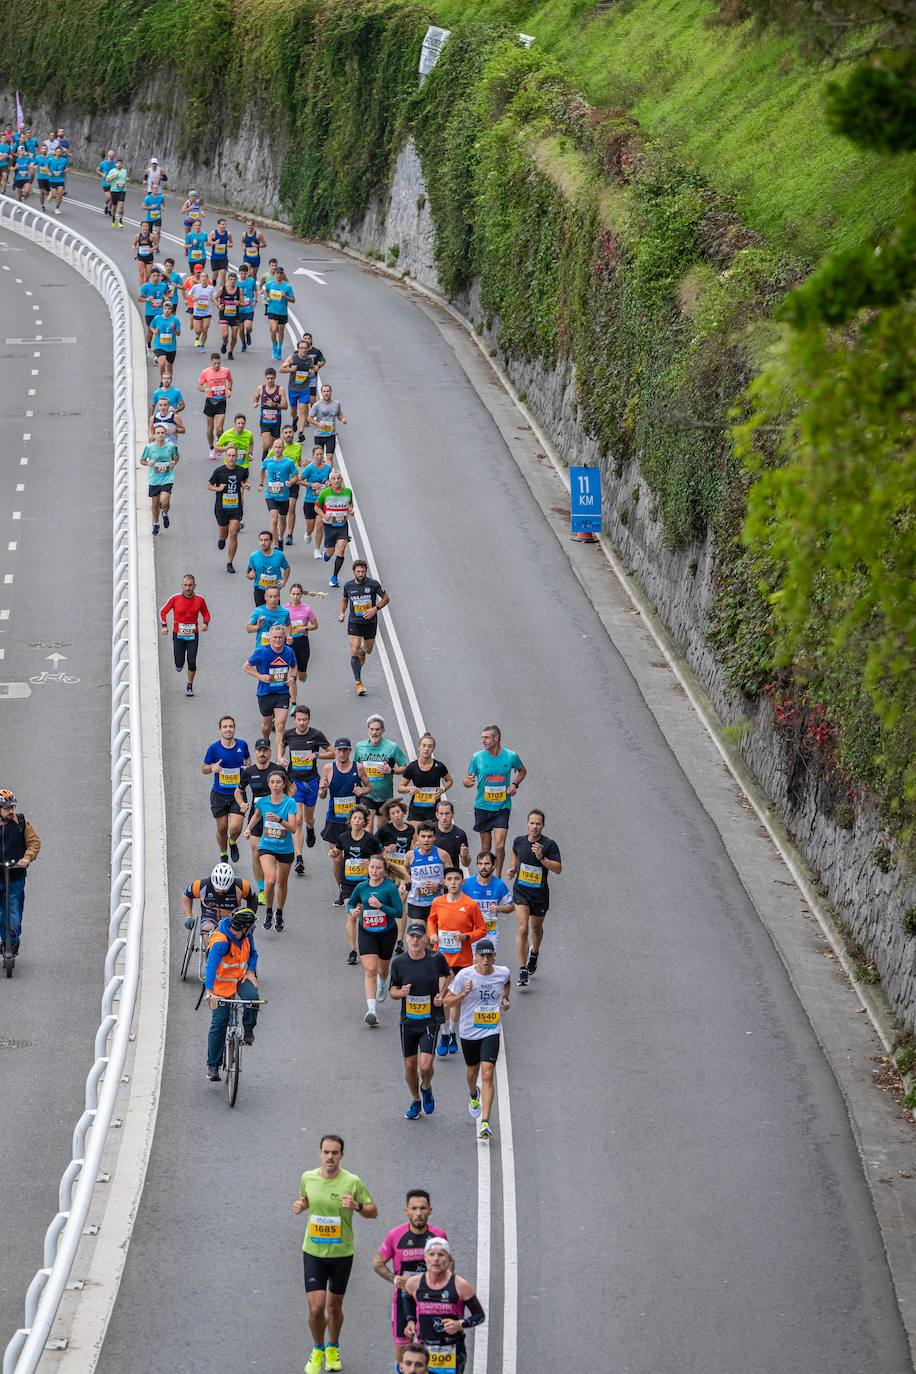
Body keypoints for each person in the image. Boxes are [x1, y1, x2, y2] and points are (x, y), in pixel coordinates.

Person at [294, 1135, 378, 1374]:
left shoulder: (353, 1182)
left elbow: (373, 1211)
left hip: (342, 1252)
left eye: (335, 1153)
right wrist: (302, 1205)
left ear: (342, 1155)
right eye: (326, 1152)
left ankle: (333, 1347)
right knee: (316, 1308)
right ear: (320, 1153)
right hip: (313, 1250)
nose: (330, 1157)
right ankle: (318, 1348)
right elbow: (307, 1198)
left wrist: (358, 1206)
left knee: (334, 1307)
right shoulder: (307, 1177)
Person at [444, 941, 510, 1140]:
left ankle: (485, 1122)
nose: (486, 959)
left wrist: (505, 999)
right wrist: (464, 993)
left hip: (491, 1029)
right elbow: (447, 1001)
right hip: (469, 1031)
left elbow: (506, 984)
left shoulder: (503, 972)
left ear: (494, 956)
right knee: (472, 1071)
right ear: (476, 958)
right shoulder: (465, 975)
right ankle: (474, 1094)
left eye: (490, 956)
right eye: (482, 956)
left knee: (488, 1072)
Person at [374, 1191, 448, 1360]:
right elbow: (378, 1263)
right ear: (406, 1210)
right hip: (403, 1299)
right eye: (414, 1208)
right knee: (403, 1354)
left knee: (431, 1351)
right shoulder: (395, 1235)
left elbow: (449, 1264)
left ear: (430, 1210)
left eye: (423, 1208)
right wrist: (394, 1279)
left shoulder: (439, 1235)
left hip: (432, 1300)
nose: (419, 1213)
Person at [388, 924, 450, 1118]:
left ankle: (426, 1086)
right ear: (406, 939)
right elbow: (392, 991)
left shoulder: (436, 958)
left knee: (425, 1066)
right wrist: (401, 993)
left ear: (425, 939)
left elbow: (448, 975)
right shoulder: (399, 962)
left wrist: (442, 994)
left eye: (419, 936)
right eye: (412, 936)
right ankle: (415, 1099)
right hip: (408, 1021)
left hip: (430, 1019)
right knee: (409, 1065)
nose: (415, 940)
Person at [399, 1237, 485, 1370]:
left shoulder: (460, 1285)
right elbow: (406, 1297)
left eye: (441, 1254)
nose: (436, 1259)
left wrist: (460, 1324)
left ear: (448, 1259)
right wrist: (410, 1320)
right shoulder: (414, 1283)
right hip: (423, 1350)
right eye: (431, 1254)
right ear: (425, 1258)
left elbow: (479, 1315)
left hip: (452, 1351)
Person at [428, 870, 487, 1057]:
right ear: (444, 882)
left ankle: (453, 1032)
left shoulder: (470, 904)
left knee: (456, 1000)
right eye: (450, 879)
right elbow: (431, 921)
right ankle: (444, 1034)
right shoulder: (438, 902)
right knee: (441, 997)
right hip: (442, 959)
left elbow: (482, 929)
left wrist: (466, 936)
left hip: (463, 960)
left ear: (462, 881)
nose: (453, 882)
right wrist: (432, 934)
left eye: (456, 879)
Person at [508, 808, 562, 988]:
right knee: (522, 928)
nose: (535, 826)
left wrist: (542, 858)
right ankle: (523, 969)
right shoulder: (519, 841)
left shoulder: (549, 845)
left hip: (539, 894)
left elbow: (558, 869)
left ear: (543, 826)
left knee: (536, 928)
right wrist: (513, 868)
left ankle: (535, 953)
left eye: (538, 823)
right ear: (527, 824)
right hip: (521, 892)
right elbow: (515, 853)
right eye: (532, 823)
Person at [205, 906, 260, 1081]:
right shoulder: (221, 942)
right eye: (251, 927)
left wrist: (250, 970)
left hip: (241, 978)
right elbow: (211, 967)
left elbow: (253, 954)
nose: (252, 930)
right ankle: (213, 1065)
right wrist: (210, 991)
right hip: (221, 985)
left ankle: (248, 1029)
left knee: (253, 999)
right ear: (244, 926)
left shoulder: (246, 935)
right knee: (219, 1023)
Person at [462, 725, 527, 876]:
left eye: (486, 737)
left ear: (496, 738)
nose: (483, 740)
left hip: (502, 807)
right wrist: (467, 782)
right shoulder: (477, 757)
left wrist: (514, 784)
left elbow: (523, 771)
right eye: (482, 737)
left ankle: (497, 876)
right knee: (486, 846)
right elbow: (467, 780)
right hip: (483, 806)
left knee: (499, 845)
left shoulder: (511, 756)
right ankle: (485, 875)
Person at [348, 852, 401, 1022]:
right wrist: (352, 911)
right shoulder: (362, 887)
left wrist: (381, 906)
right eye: (372, 867)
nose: (374, 871)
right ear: (368, 869)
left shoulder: (390, 888)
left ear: (384, 871)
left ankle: (383, 983)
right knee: (370, 969)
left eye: (378, 868)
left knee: (382, 970)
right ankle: (371, 1011)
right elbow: (351, 902)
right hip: (367, 932)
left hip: (387, 932)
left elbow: (398, 912)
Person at [234, 740, 288, 904]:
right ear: (255, 753)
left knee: (275, 853)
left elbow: (291, 788)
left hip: (276, 818)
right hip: (256, 817)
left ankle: (272, 881)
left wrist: (288, 805)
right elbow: (238, 790)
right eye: (259, 750)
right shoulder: (249, 772)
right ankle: (263, 890)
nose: (262, 753)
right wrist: (242, 803)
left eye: (265, 750)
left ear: (270, 753)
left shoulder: (278, 770)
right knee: (256, 851)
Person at [245, 766, 297, 930]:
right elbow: (257, 815)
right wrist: (248, 828)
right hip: (266, 846)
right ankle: (268, 911)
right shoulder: (263, 802)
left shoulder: (290, 802)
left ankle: (279, 913)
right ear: (269, 785)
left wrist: (279, 820)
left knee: (282, 882)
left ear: (284, 784)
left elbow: (294, 828)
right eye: (272, 782)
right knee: (270, 880)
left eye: (278, 782)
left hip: (285, 849)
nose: (275, 785)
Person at [318, 740, 371, 900]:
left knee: (356, 856)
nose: (342, 753)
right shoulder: (328, 768)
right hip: (334, 819)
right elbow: (322, 795)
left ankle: (361, 888)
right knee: (337, 858)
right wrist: (322, 789)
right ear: (335, 751)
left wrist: (362, 791)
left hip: (354, 820)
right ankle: (342, 889)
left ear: (349, 751)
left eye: (345, 750)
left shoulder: (358, 767)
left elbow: (369, 787)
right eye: (339, 750)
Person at [281, 704, 331, 870]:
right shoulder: (288, 734)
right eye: (299, 719)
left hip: (311, 782)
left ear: (309, 720)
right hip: (294, 781)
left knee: (308, 818)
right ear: (294, 720)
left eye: (304, 720)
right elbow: (282, 744)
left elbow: (332, 752)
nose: (301, 723)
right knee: (298, 819)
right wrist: (280, 757)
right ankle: (299, 858)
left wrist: (316, 755)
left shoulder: (316, 735)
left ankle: (311, 828)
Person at [332, 806, 383, 955]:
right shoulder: (343, 837)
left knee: (365, 913)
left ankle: (370, 943)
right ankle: (353, 950)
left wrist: (370, 862)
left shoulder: (371, 839)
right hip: (348, 883)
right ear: (350, 820)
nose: (357, 821)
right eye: (354, 818)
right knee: (352, 914)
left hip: (367, 883)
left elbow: (381, 857)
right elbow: (338, 850)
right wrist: (334, 852)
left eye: (360, 818)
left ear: (365, 822)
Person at [202, 716, 250, 861]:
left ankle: (233, 841)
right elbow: (203, 768)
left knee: (235, 827)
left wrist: (247, 767)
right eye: (225, 727)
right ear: (220, 730)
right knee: (222, 828)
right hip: (219, 794)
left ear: (234, 728)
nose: (228, 729)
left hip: (238, 794)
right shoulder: (214, 749)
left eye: (231, 726)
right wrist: (212, 767)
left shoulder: (242, 745)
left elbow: (247, 759)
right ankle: (223, 854)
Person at [339, 559, 389, 695]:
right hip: (354, 622)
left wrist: (375, 608)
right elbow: (344, 599)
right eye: (358, 571)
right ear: (354, 572)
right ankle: (358, 683)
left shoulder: (373, 584)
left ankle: (361, 653)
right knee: (354, 648)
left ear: (366, 571)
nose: (361, 574)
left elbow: (386, 598)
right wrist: (342, 612)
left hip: (370, 623)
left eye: (363, 571)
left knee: (367, 649)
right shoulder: (348, 586)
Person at [0, 791, 40, 957]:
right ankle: (5, 941)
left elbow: (34, 843)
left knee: (14, 911)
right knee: (1, 913)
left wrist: (26, 858)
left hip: (15, 875)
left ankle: (13, 942)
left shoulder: (22, 823)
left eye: (12, 807)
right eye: (6, 808)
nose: (11, 811)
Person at [244, 621, 297, 742]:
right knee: (266, 725)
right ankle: (266, 740)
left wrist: (292, 677)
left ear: (284, 638)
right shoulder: (262, 652)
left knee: (280, 725)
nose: (278, 640)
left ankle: (279, 756)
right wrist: (260, 676)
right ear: (270, 638)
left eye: (280, 637)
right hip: (265, 693)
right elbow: (246, 666)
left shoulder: (289, 652)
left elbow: (293, 666)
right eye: (275, 637)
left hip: (282, 693)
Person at [182, 863, 255, 950]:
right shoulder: (201, 885)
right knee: (207, 928)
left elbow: (253, 898)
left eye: (224, 890)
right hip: (209, 916)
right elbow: (186, 896)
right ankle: (210, 954)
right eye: (217, 889)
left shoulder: (242, 885)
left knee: (237, 934)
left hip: (231, 917)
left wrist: (250, 918)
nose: (220, 891)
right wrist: (188, 916)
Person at [159, 573, 210, 695]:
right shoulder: (175, 598)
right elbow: (163, 611)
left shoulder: (200, 600)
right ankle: (179, 664)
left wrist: (205, 623)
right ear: (182, 585)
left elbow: (206, 614)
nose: (188, 588)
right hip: (178, 635)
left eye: (190, 585)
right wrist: (164, 626)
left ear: (194, 586)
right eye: (185, 585)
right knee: (179, 664)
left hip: (193, 635)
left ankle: (189, 685)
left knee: (192, 661)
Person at [353, 714, 408, 830]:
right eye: (372, 729)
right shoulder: (360, 746)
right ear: (368, 730)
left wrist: (391, 770)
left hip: (385, 796)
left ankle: (378, 847)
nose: (374, 733)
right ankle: (368, 848)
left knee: (382, 830)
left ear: (383, 730)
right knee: (367, 828)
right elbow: (354, 766)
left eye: (377, 729)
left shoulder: (392, 747)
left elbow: (404, 767)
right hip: (367, 794)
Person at [208, 443, 249, 573]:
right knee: (224, 534)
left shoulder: (242, 471)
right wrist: (217, 488)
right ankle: (221, 539)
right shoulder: (219, 471)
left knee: (234, 534)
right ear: (226, 456)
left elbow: (243, 482)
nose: (231, 458)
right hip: (221, 508)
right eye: (229, 455)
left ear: (237, 457)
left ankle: (230, 562)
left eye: (233, 456)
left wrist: (246, 485)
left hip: (236, 507)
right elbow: (209, 485)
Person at [462, 851, 513, 953]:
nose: (483, 867)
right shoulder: (467, 883)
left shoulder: (499, 885)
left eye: (487, 864)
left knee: (488, 961)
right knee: (473, 963)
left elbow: (511, 906)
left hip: (490, 933)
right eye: (480, 864)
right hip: (472, 931)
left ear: (493, 866)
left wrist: (499, 908)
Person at [399, 734, 452, 832]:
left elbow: (449, 781)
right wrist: (409, 789)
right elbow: (400, 787)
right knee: (416, 839)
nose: (426, 749)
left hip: (433, 810)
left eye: (430, 746)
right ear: (419, 747)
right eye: (424, 746)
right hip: (416, 810)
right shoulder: (412, 767)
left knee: (432, 839)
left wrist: (443, 789)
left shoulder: (439, 766)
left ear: (433, 749)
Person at [280, 335, 326, 439]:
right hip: (293, 388)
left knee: (303, 409)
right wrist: (290, 370)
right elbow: (281, 369)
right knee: (293, 410)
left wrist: (314, 371)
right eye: (301, 348)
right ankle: (295, 419)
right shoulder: (293, 358)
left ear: (307, 348)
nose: (303, 350)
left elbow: (313, 369)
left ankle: (301, 432)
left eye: (305, 348)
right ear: (298, 348)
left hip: (305, 389)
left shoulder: (310, 360)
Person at [314, 470, 354, 588]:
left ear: (342, 480)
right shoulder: (325, 493)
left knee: (341, 549)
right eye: (334, 479)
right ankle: (327, 554)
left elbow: (350, 505)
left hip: (342, 525)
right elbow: (317, 507)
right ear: (330, 481)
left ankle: (334, 577)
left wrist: (351, 511)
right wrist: (323, 515)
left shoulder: (348, 492)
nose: (337, 481)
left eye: (339, 478)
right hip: (329, 526)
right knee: (330, 553)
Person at [139, 422, 179, 536]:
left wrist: (174, 462)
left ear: (165, 434)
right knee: (155, 504)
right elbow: (142, 460)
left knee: (164, 501)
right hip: (154, 479)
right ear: (154, 435)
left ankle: (165, 514)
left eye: (162, 433)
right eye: (158, 433)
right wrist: (148, 463)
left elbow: (177, 456)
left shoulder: (171, 446)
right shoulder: (149, 448)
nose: (160, 435)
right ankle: (156, 523)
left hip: (167, 478)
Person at [259, 435, 298, 549]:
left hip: (284, 496)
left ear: (283, 449)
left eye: (279, 447)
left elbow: (296, 476)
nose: (277, 449)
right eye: (275, 447)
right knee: (274, 518)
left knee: (282, 519)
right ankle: (275, 544)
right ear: (272, 448)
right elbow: (261, 470)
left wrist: (291, 482)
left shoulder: (289, 462)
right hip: (270, 495)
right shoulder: (268, 461)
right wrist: (261, 483)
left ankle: (280, 537)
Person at [284, 583, 318, 706]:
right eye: (293, 594)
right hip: (289, 643)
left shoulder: (307, 609)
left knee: (301, 676)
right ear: (289, 594)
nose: (295, 596)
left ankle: (302, 674)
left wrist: (304, 628)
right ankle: (293, 704)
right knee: (292, 675)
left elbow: (315, 625)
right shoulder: (284, 609)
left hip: (302, 643)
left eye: (298, 594)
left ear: (301, 595)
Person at [198, 351, 233, 454]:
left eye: (219, 363)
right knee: (209, 430)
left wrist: (229, 389)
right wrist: (205, 390)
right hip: (210, 402)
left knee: (219, 428)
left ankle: (219, 443)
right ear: (211, 362)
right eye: (215, 363)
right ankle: (211, 448)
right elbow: (199, 385)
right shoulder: (205, 372)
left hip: (221, 401)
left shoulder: (226, 371)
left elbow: (230, 380)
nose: (217, 365)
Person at [247, 528, 290, 607]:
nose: (263, 543)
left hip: (274, 590)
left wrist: (284, 581)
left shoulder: (279, 555)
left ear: (271, 541)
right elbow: (249, 574)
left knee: (274, 613)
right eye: (261, 540)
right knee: (261, 614)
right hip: (259, 589)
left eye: (266, 540)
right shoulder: (253, 556)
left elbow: (287, 568)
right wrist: (250, 576)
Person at [299, 446, 332, 546]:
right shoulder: (309, 468)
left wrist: (328, 484)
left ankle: (317, 549)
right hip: (310, 501)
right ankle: (308, 533)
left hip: (322, 501)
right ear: (313, 456)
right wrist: (311, 485)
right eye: (317, 454)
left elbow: (332, 480)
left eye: (321, 454)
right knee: (310, 527)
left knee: (319, 525)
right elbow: (298, 480)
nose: (319, 456)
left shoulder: (327, 468)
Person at [263, 264, 295, 359]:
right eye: (277, 273)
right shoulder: (270, 284)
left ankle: (279, 348)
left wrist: (285, 296)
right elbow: (264, 289)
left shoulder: (287, 287)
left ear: (283, 275)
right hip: (272, 310)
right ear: (275, 274)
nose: (279, 275)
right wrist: (266, 297)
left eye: (281, 273)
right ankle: (274, 346)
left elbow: (293, 300)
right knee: (273, 329)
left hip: (282, 312)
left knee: (280, 330)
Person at [254, 367, 287, 457]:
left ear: (275, 378)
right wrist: (255, 403)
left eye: (272, 378)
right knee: (267, 443)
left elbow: (285, 406)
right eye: (268, 378)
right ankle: (264, 453)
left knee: (274, 447)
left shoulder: (280, 390)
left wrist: (274, 405)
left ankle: (268, 459)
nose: (270, 380)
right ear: (265, 378)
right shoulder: (261, 388)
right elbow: (255, 398)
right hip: (265, 422)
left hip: (276, 422)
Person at [246, 584, 291, 648]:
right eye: (270, 596)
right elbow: (248, 629)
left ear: (279, 597)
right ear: (265, 597)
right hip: (262, 649)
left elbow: (288, 624)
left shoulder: (285, 611)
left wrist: (289, 635)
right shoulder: (258, 611)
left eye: (275, 596)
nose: (273, 600)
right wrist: (258, 626)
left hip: (279, 649)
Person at [309, 382, 346, 455]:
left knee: (329, 457)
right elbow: (309, 418)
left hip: (331, 435)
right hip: (319, 435)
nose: (326, 393)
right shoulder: (317, 405)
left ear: (331, 392)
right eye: (324, 391)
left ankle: (329, 467)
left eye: (328, 391)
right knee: (319, 458)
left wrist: (343, 419)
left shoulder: (336, 404)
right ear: (321, 393)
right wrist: (318, 424)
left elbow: (339, 414)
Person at [150, 298, 181, 382]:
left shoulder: (175, 320)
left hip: (171, 347)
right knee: (162, 363)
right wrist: (154, 331)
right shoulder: (157, 318)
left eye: (169, 309)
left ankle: (169, 379)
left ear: (171, 310)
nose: (167, 310)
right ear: (162, 309)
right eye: (165, 308)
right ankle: (162, 380)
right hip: (159, 345)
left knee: (169, 367)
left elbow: (178, 333)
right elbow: (151, 326)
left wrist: (174, 328)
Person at [434, 799, 470, 870]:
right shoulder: (430, 831)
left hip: (451, 875)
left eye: (447, 813)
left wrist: (464, 856)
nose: (444, 818)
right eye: (441, 814)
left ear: (453, 814)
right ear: (437, 815)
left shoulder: (460, 834)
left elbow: (466, 864)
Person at [140, 266, 170, 351]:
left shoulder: (163, 285)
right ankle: (148, 344)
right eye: (154, 275)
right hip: (149, 313)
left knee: (158, 331)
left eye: (157, 275)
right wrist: (147, 299)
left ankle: (157, 349)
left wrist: (166, 297)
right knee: (150, 331)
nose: (156, 277)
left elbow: (168, 293)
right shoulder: (146, 286)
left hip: (160, 313)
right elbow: (139, 298)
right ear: (150, 276)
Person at [190, 274, 220, 353]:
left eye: (205, 276)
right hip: (197, 312)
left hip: (207, 312)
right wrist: (194, 298)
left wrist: (216, 303)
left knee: (205, 329)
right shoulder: (196, 287)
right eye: (202, 277)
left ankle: (202, 346)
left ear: (207, 278)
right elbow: (190, 295)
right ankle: (197, 338)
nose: (203, 278)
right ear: (200, 278)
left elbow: (215, 297)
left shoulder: (211, 288)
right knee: (198, 330)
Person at [217, 269, 242, 358]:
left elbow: (242, 303)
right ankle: (224, 343)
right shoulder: (222, 289)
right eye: (230, 279)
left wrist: (239, 303)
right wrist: (218, 306)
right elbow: (214, 298)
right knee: (225, 335)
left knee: (234, 335)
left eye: (234, 279)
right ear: (228, 280)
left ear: (236, 280)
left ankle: (230, 352)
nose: (232, 281)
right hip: (224, 315)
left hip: (235, 316)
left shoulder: (239, 290)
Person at [237, 260, 258, 349]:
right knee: (240, 329)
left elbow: (255, 291)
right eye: (241, 273)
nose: (243, 275)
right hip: (239, 310)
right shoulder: (236, 283)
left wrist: (255, 300)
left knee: (248, 327)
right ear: (239, 273)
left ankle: (248, 333)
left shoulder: (251, 281)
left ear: (247, 273)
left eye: (244, 273)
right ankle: (243, 344)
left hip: (249, 308)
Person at [208, 215, 232, 290]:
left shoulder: (228, 234)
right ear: (218, 225)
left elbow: (231, 243)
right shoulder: (213, 233)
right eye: (222, 224)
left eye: (225, 224)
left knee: (223, 274)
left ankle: (221, 290)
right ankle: (214, 280)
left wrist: (229, 245)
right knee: (215, 275)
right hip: (214, 258)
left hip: (223, 258)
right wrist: (214, 242)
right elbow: (207, 243)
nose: (224, 226)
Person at [105, 157, 128, 226]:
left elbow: (124, 178)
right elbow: (107, 181)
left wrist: (126, 179)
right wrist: (114, 177)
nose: (119, 165)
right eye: (117, 163)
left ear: (122, 165)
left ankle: (120, 221)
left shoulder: (125, 171)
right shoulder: (112, 171)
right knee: (114, 206)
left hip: (122, 190)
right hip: (114, 190)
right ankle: (113, 218)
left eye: (120, 164)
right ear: (115, 164)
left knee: (121, 206)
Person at [132, 220, 155, 285]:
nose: (145, 228)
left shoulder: (152, 236)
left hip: (149, 257)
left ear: (148, 227)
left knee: (147, 276)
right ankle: (142, 291)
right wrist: (134, 247)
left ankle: (146, 287)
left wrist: (152, 249)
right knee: (141, 274)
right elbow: (133, 244)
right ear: (141, 227)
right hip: (140, 257)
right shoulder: (137, 236)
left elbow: (156, 245)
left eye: (146, 226)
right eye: (143, 226)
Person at [97, 149, 117, 214]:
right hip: (105, 183)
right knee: (109, 197)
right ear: (108, 156)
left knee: (113, 198)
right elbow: (97, 170)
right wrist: (102, 174)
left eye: (113, 155)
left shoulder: (115, 164)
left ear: (114, 156)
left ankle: (109, 209)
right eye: (110, 155)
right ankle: (106, 205)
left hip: (113, 183)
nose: (111, 157)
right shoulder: (103, 163)